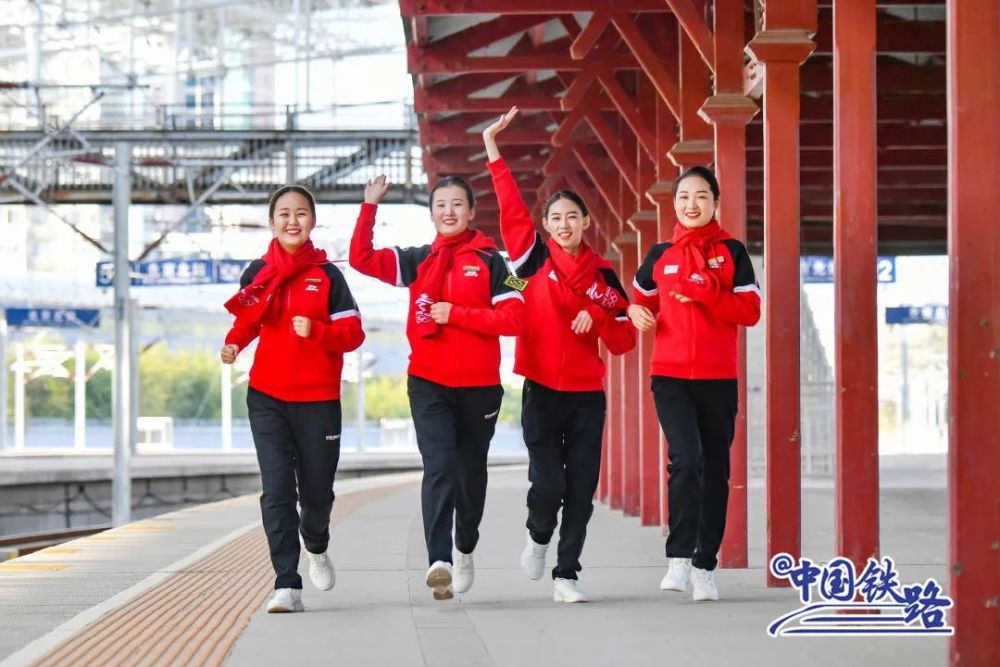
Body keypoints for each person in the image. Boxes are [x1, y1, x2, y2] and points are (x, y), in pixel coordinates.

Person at [483, 107, 636, 603]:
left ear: (586, 222)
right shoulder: (531, 263)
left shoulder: (604, 276)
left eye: (573, 216)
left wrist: (600, 315)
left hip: (587, 395)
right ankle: (538, 534)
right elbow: (510, 209)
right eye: (556, 218)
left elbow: (625, 339)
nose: (565, 223)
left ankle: (566, 574)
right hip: (542, 390)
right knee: (548, 483)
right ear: (546, 226)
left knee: (581, 491)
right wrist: (492, 149)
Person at [349, 174, 524, 601]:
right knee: (440, 465)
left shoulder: (494, 262)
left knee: (470, 475)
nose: (448, 211)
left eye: (457, 204)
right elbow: (361, 258)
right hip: (428, 382)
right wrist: (370, 206)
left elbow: (516, 318)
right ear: (431, 213)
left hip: (480, 387)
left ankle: (465, 547)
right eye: (440, 205)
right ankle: (439, 559)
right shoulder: (418, 260)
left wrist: (457, 314)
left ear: (471, 211)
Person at [221, 185, 365, 613]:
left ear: (312, 222)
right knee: (277, 489)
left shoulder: (329, 276)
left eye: (301, 213)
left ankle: (316, 544)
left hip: (319, 400)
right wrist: (234, 343)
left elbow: (353, 334)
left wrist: (317, 331)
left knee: (317, 494)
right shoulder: (258, 271)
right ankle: (286, 582)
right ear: (271, 222)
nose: (292, 220)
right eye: (283, 213)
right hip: (267, 396)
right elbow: (249, 320)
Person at [628, 166, 761, 602]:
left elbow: (750, 311)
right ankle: (679, 558)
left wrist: (706, 293)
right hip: (669, 376)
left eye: (701, 196)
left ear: (715, 203)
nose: (692, 204)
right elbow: (640, 301)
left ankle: (705, 567)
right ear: (675, 203)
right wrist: (636, 313)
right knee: (686, 459)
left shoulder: (732, 252)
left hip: (718, 378)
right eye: (684, 196)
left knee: (715, 471)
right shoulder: (659, 255)